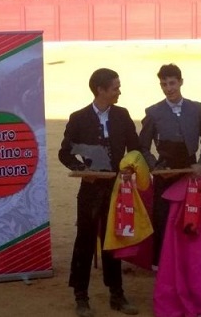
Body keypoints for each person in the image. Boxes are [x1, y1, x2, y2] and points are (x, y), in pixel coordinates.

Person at [58, 68, 140, 317]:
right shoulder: (79, 118)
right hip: (91, 188)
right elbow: (65, 153)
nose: (119, 91)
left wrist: (129, 168)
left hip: (117, 187)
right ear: (100, 90)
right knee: (85, 240)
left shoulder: (122, 115)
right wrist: (82, 169)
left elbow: (134, 149)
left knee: (113, 240)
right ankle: (80, 296)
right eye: (115, 87)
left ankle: (117, 294)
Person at [138, 63, 201, 267]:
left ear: (181, 82)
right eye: (164, 84)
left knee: (191, 216)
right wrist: (156, 167)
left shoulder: (196, 108)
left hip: (190, 172)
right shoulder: (153, 112)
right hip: (165, 173)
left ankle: (191, 261)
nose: (168, 88)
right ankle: (162, 264)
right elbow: (142, 146)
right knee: (163, 218)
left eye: (172, 83)